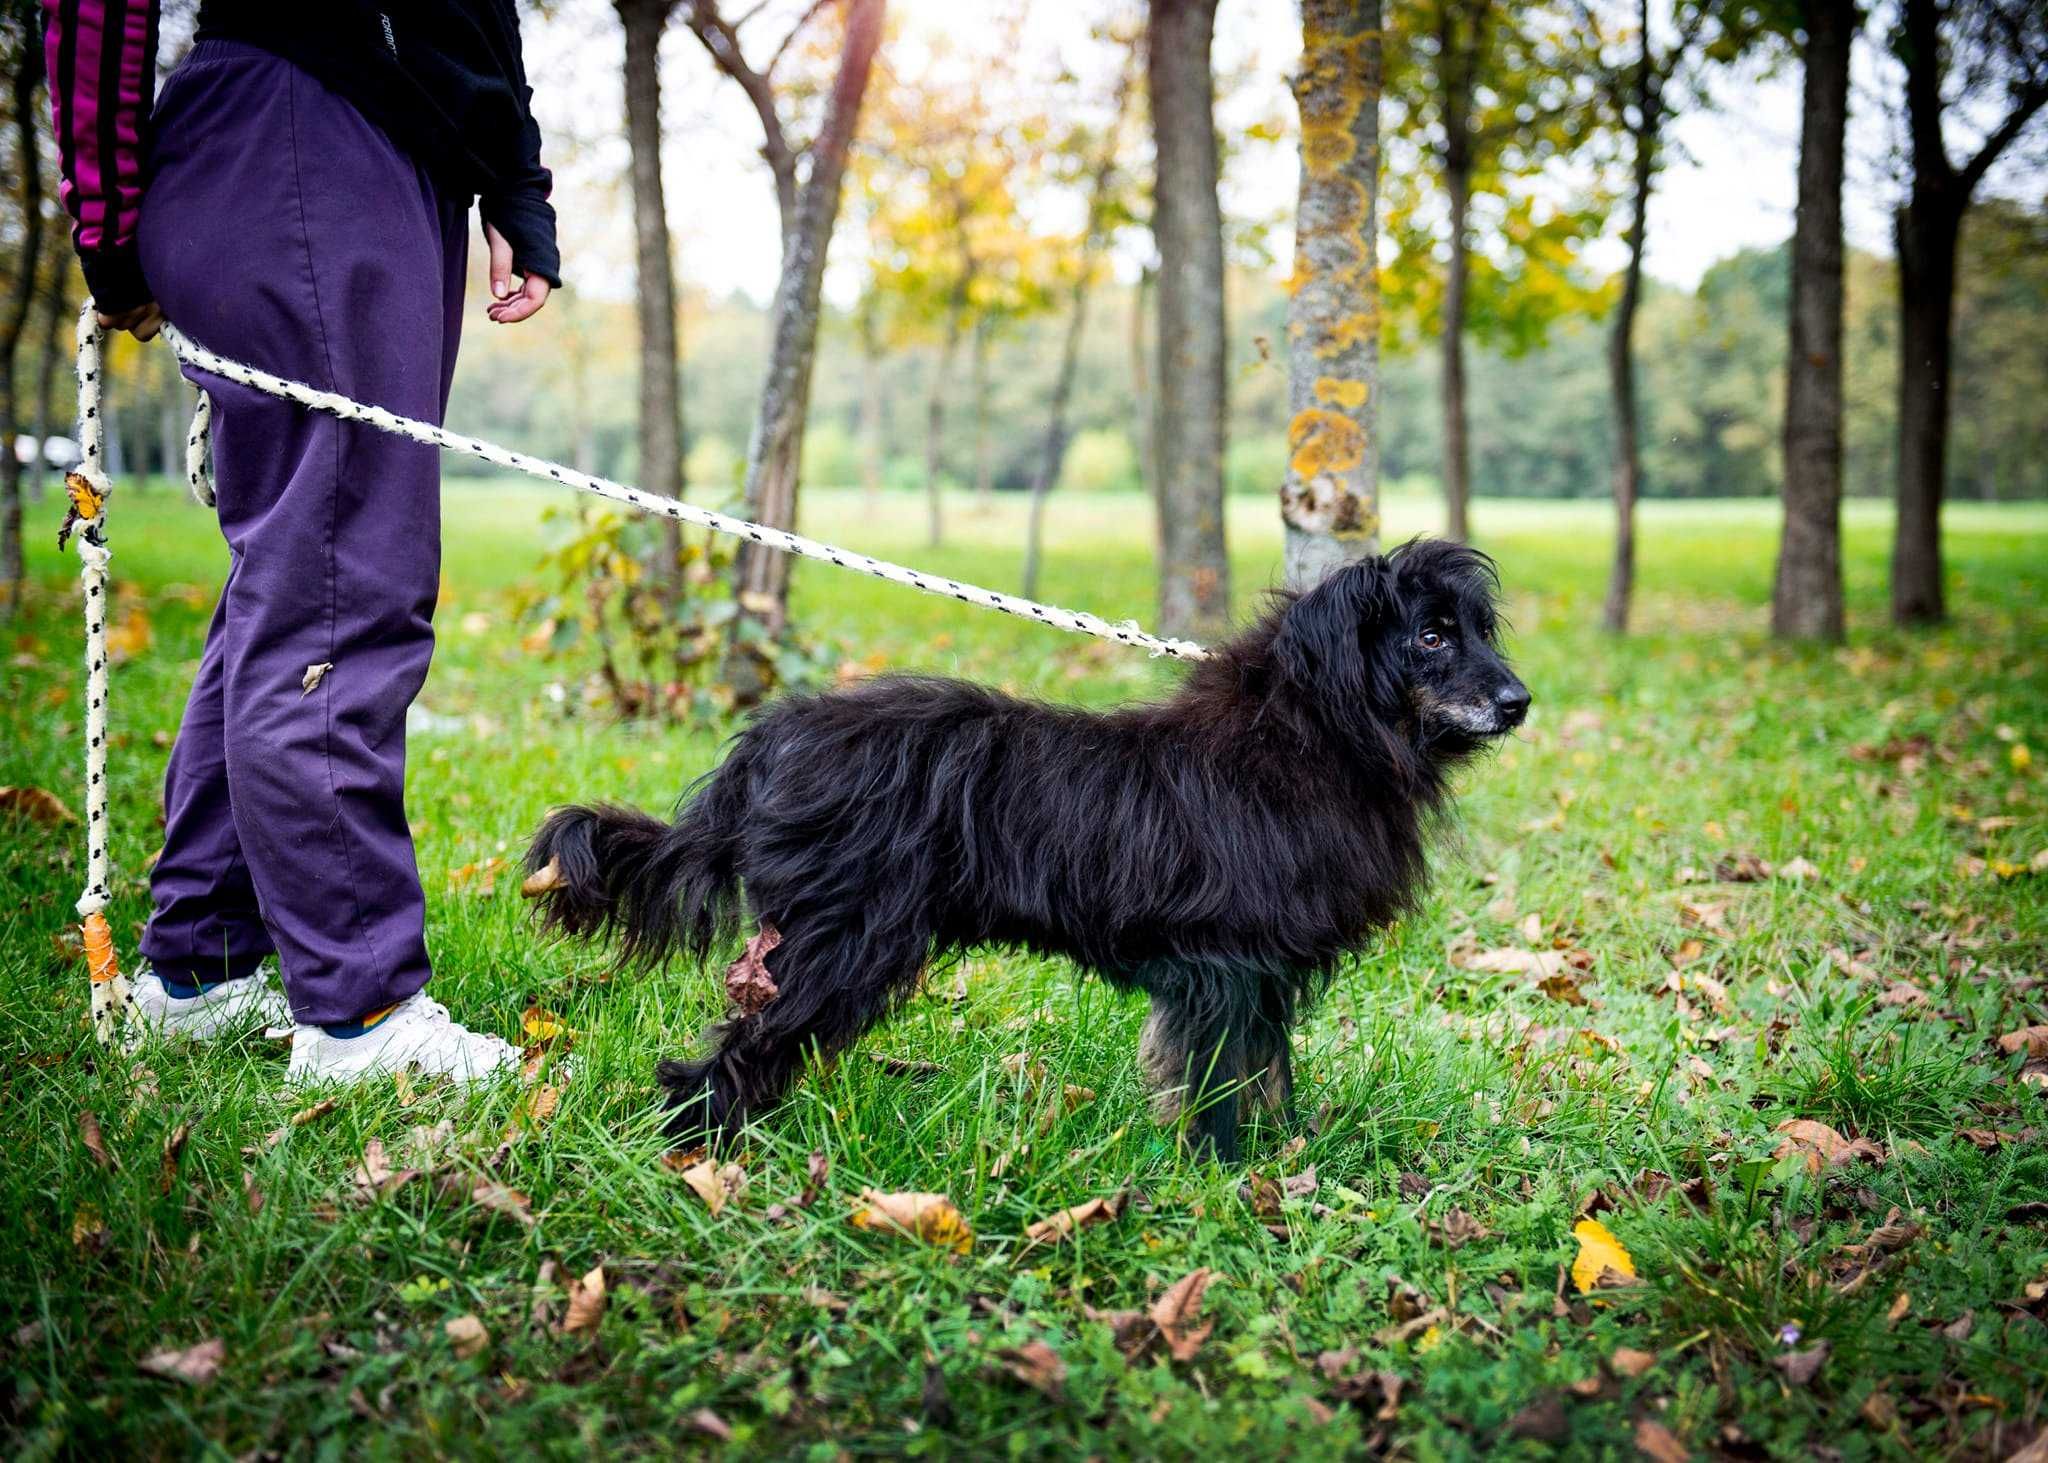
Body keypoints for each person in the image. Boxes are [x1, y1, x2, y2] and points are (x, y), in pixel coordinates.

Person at [44, 1, 561, 1084]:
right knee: (342, 577)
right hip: (299, 123)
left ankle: (205, 963)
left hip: (395, 151)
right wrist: (105, 216)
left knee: (299, 569)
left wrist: (513, 181)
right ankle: (360, 1014)